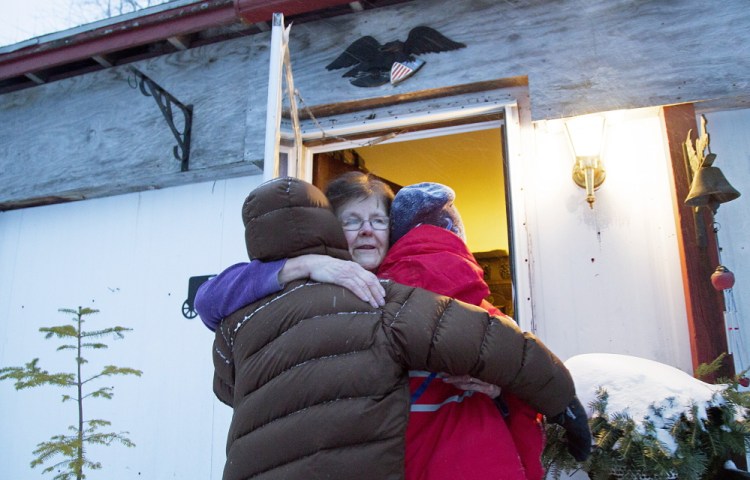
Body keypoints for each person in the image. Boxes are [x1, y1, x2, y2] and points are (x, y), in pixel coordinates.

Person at [212, 176, 588, 480]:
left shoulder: (390, 295)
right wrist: (304, 266)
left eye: (378, 221)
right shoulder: (353, 295)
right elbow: (211, 302)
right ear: (328, 231)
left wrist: (501, 387)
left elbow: (495, 343)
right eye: (351, 221)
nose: (366, 232)